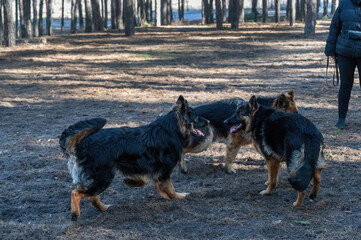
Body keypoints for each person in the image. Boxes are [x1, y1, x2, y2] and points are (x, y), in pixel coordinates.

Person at [324, 0, 361, 129]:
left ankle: (341, 119)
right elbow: (335, 26)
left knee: (345, 86)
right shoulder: (344, 3)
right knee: (345, 86)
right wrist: (330, 50)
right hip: (345, 52)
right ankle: (341, 119)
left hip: (347, 50)